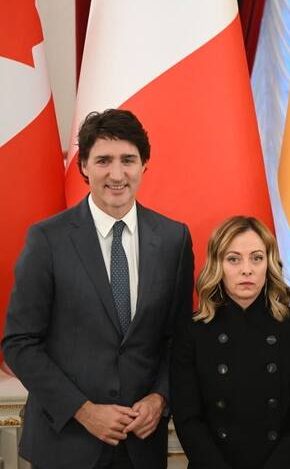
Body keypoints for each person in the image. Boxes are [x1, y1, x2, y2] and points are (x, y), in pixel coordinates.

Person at [3, 109, 194, 468]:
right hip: (65, 444)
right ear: (84, 166)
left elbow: (179, 337)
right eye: (103, 160)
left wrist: (160, 398)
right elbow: (19, 343)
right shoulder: (47, 239)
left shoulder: (173, 239)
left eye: (128, 160)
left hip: (140, 446)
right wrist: (84, 411)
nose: (117, 174)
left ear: (144, 165)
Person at [171, 216, 290, 468]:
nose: (247, 269)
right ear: (217, 264)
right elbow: (188, 417)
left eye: (256, 257)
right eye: (233, 259)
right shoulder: (192, 331)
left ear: (269, 263)